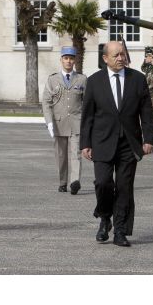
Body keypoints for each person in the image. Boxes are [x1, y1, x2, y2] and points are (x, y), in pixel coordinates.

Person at [80, 40, 153, 247]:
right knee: (103, 183)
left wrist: (149, 139)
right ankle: (105, 217)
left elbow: (146, 112)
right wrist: (85, 143)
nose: (121, 58)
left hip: (129, 144)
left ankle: (120, 231)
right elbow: (87, 115)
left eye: (123, 54)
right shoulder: (95, 81)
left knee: (124, 187)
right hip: (102, 142)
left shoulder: (137, 79)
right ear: (105, 58)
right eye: (116, 55)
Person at [41, 46, 87, 194]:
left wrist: (87, 123)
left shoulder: (82, 79)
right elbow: (46, 102)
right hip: (58, 123)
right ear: (61, 60)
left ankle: (75, 182)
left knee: (76, 154)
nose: (68, 61)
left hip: (76, 122)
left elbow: (86, 102)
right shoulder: (52, 79)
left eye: (71, 58)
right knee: (61, 156)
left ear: (74, 60)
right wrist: (49, 122)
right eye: (66, 58)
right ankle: (63, 182)